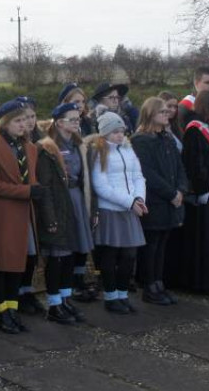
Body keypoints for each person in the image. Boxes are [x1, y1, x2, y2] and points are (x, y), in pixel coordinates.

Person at [0, 100, 43, 334]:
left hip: (24, 212)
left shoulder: (28, 147)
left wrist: (33, 189)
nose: (23, 125)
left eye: (24, 120)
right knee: (1, 264)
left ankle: (12, 310)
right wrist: (27, 191)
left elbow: (30, 177)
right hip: (3, 212)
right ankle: (0, 313)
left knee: (19, 262)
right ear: (5, 123)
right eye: (17, 121)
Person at [37, 103, 92, 322]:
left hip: (77, 200)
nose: (77, 123)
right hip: (60, 202)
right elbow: (46, 186)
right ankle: (54, 304)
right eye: (72, 119)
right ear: (59, 122)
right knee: (57, 256)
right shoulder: (48, 148)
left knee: (71, 254)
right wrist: (49, 216)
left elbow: (86, 178)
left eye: (78, 119)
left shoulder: (79, 144)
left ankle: (66, 299)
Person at [88, 112, 148, 314]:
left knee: (129, 255)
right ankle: (111, 296)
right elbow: (101, 186)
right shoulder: (99, 152)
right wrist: (129, 201)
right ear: (105, 133)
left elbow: (138, 176)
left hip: (130, 208)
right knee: (110, 255)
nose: (119, 135)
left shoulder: (128, 150)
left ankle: (123, 294)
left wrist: (139, 198)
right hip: (111, 210)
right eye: (115, 132)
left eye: (121, 131)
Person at [131, 98, 187, 306]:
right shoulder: (141, 140)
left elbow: (179, 167)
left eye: (167, 111)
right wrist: (170, 193)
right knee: (151, 245)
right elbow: (148, 173)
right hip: (155, 201)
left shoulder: (167, 139)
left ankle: (158, 281)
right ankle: (149, 285)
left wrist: (181, 189)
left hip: (171, 200)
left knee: (162, 244)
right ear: (150, 114)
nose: (167, 114)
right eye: (162, 111)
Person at [173, 91, 209, 294]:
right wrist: (202, 188)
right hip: (206, 187)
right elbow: (194, 162)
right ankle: (202, 280)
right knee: (204, 234)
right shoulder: (194, 129)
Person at [15, 96, 45, 313]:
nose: (29, 121)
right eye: (24, 118)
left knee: (34, 253)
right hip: (23, 199)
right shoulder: (16, 143)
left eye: (33, 116)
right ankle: (19, 294)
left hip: (38, 199)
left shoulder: (41, 140)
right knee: (23, 250)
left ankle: (28, 290)